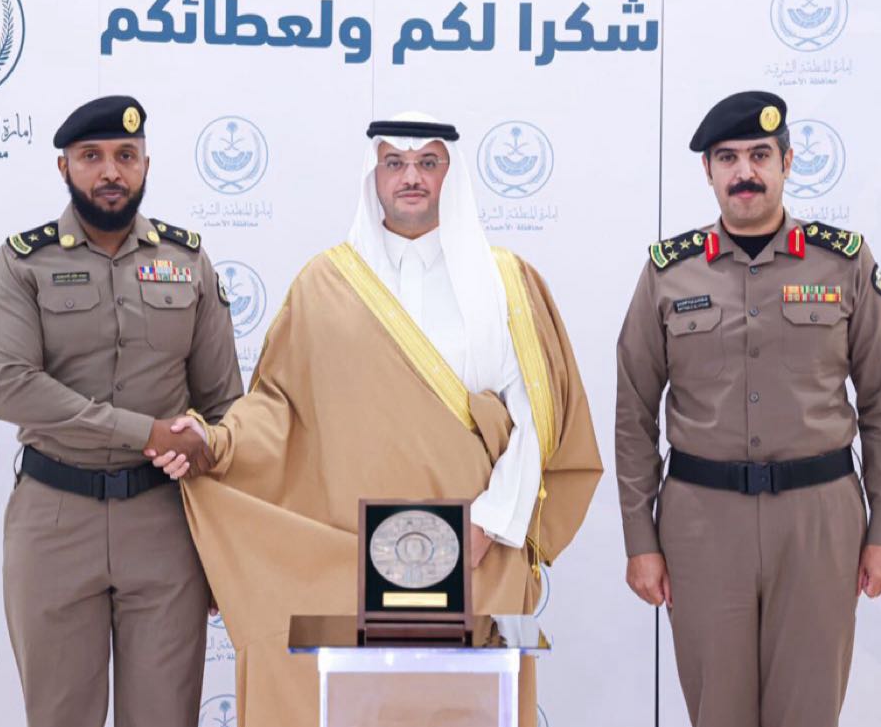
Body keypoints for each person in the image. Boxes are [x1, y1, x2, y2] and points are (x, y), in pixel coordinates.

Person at [150, 113, 604, 727]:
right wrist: (216, 442)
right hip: (351, 551)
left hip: (474, 551)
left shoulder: (506, 282)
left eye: (427, 163)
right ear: (374, 174)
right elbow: (278, 409)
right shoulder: (324, 284)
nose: (411, 177)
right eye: (395, 163)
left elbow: (536, 422)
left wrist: (492, 523)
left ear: (451, 174)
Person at [615, 90, 881, 727]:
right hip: (702, 524)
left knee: (808, 712)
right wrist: (641, 540)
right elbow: (633, 414)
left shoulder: (844, 262)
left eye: (759, 155)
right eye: (727, 158)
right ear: (708, 170)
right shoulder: (668, 272)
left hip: (818, 521)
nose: (744, 172)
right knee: (717, 712)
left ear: (787, 162)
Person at [0, 95, 240, 727]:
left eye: (126, 155)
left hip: (166, 524)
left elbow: (225, 404)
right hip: (54, 520)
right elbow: (12, 387)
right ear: (64, 167)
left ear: (146, 164)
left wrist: (223, 528)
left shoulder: (187, 261)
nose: (110, 172)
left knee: (166, 717)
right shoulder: (23, 262)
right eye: (91, 157)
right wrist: (147, 432)